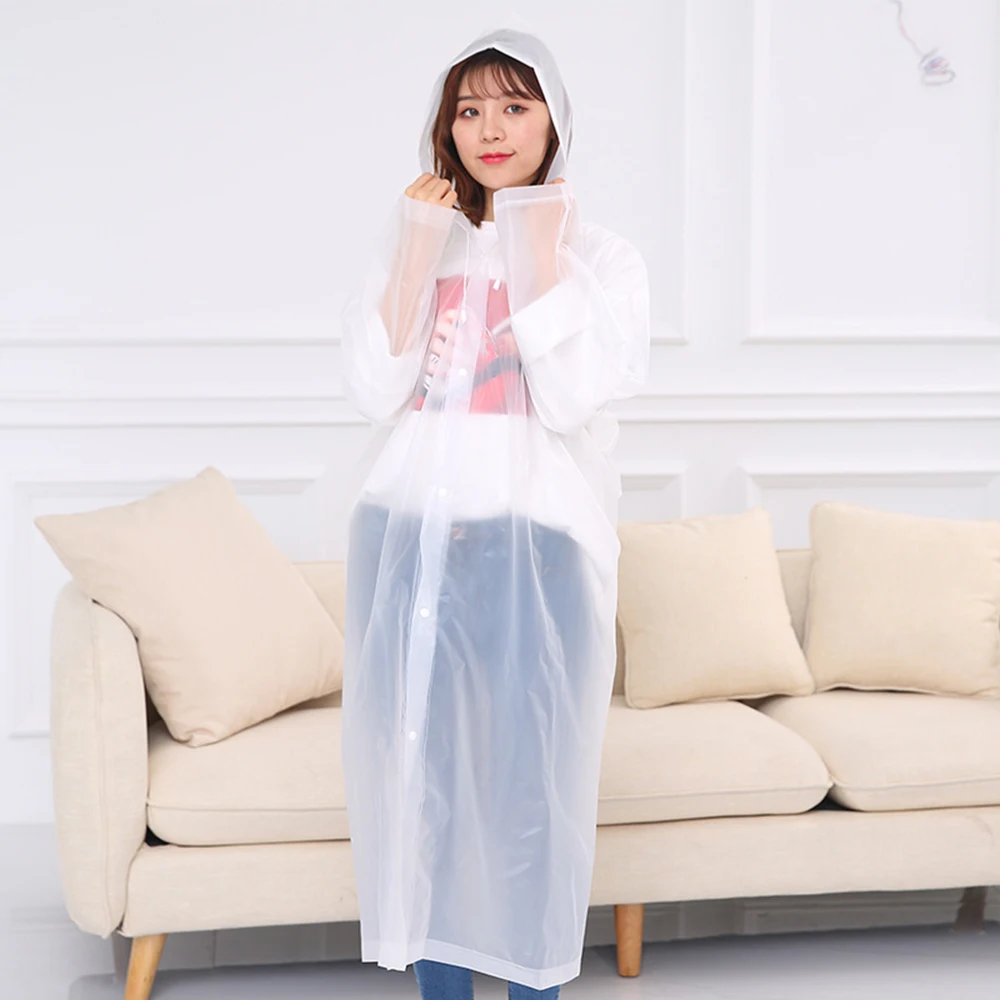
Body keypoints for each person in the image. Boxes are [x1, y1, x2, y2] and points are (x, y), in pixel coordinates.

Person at [339, 25, 650, 999]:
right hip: (407, 538)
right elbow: (373, 389)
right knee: (422, 785)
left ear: (553, 121)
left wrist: (539, 258)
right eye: (469, 109)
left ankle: (531, 988)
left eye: (514, 106)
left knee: (529, 792)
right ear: (446, 128)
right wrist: (412, 255)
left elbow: (570, 399)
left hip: (537, 550)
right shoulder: (418, 238)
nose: (490, 129)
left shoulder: (602, 256)